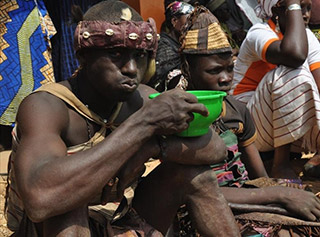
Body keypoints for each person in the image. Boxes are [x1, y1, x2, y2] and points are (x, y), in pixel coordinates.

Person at [4, 1, 241, 236]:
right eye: (115, 53)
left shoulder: (143, 100)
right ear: (83, 56)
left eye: (139, 55)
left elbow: (216, 149)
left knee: (194, 175)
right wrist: (143, 124)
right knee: (68, 204)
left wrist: (153, 146)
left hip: (117, 218)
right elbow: (40, 199)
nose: (130, 68)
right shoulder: (47, 106)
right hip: (53, 227)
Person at [177, 5, 320, 222]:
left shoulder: (236, 110)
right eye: (214, 71)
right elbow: (191, 191)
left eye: (230, 68)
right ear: (188, 70)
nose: (225, 78)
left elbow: (260, 179)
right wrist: (280, 194)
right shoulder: (178, 116)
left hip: (245, 202)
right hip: (202, 212)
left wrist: (285, 195)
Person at [230, 0, 320, 178]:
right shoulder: (259, 33)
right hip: (251, 127)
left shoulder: (307, 37)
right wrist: (293, 3)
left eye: (308, 8)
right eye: (299, 8)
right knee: (293, 70)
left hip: (284, 126)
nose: (307, 15)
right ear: (278, 10)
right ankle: (281, 165)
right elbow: (295, 56)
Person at [147, 1, 194, 92]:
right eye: (189, 20)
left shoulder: (181, 44)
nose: (192, 24)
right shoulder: (164, 45)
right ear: (174, 21)